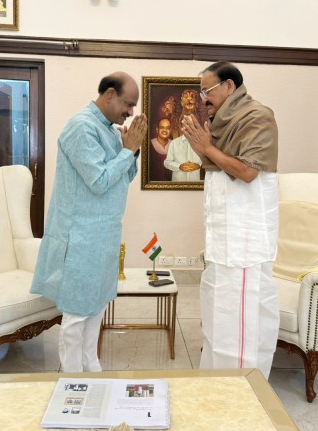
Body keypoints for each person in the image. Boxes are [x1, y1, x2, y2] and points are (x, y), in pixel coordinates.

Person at [30, 71, 147, 373]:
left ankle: (90, 364)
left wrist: (129, 153)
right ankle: (71, 378)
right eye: (128, 103)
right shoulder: (81, 127)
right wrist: (128, 150)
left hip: (103, 235)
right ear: (110, 94)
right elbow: (98, 180)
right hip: (81, 236)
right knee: (77, 313)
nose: (130, 112)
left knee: (97, 304)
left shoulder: (108, 129)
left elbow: (125, 176)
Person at [181, 61, 279, 378]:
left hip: (245, 243)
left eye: (207, 91)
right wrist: (204, 148)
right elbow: (218, 167)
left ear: (229, 87)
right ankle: (215, 387)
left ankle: (241, 395)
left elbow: (248, 172)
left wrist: (207, 146)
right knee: (216, 319)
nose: (203, 100)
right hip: (223, 244)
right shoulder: (220, 121)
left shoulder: (257, 117)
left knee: (241, 325)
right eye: (201, 93)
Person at [164, 117, 202, 181]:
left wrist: (198, 166)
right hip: (177, 185)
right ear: (181, 127)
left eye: (190, 124)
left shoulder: (201, 143)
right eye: (185, 124)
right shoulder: (174, 143)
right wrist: (179, 166)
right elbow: (167, 162)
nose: (188, 126)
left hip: (196, 185)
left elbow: (207, 161)